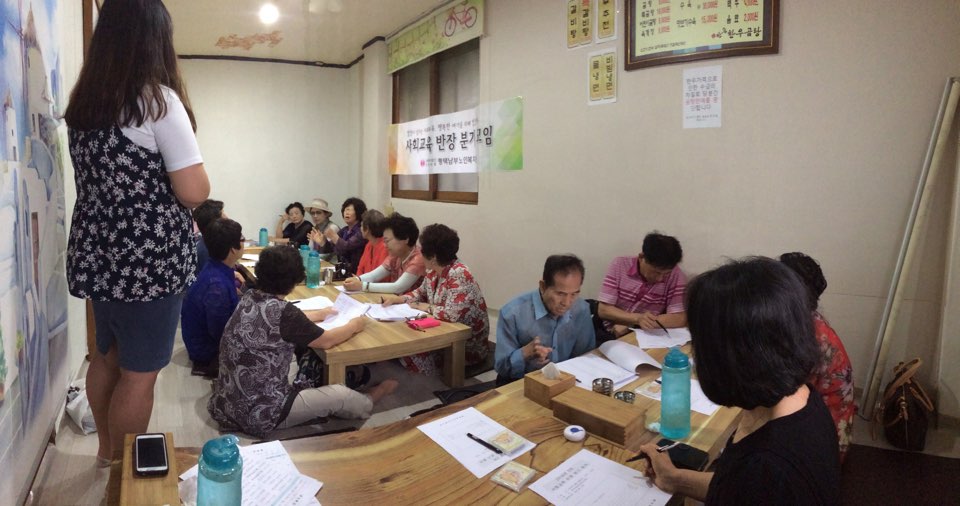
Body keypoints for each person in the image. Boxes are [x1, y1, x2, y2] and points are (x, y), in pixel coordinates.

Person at [64, 0, 210, 466]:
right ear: (155, 38)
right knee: (140, 374)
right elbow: (194, 191)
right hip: (147, 261)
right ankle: (121, 473)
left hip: (98, 252)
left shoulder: (85, 106)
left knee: (105, 358)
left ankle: (106, 455)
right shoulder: (157, 101)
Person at [640, 258, 840, 504]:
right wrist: (675, 479)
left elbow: (753, 484)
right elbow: (735, 487)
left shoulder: (768, 469)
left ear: (729, 356)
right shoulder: (800, 399)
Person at [208, 246, 398, 438]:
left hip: (228, 400)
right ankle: (372, 397)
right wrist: (355, 325)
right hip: (262, 413)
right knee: (341, 395)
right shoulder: (285, 312)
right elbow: (327, 341)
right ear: (295, 280)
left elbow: (280, 321)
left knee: (294, 356)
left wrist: (318, 314)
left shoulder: (250, 296)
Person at [381, 224, 490, 375]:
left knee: (410, 349)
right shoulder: (434, 271)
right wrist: (398, 299)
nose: (420, 252)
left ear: (433, 257)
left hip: (465, 343)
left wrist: (425, 307)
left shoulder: (460, 273)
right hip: (443, 329)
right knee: (401, 339)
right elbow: (420, 292)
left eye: (422, 249)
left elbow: (452, 314)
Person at [780, 252, 855, 463]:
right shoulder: (807, 319)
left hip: (823, 443)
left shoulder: (808, 336)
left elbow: (790, 394)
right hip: (820, 421)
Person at [494, 255, 595, 384]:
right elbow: (502, 367)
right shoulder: (512, 313)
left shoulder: (581, 309)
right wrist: (525, 353)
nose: (566, 302)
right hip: (522, 383)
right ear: (543, 286)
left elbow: (585, 356)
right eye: (560, 294)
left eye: (574, 294)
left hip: (565, 382)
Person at [180, 218, 244, 378]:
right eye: (242, 239)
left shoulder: (215, 267)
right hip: (206, 350)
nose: (244, 242)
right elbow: (220, 332)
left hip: (203, 340)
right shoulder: (217, 286)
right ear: (233, 249)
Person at [597, 232, 687, 337]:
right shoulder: (620, 265)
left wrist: (636, 323)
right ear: (641, 257)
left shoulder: (675, 274)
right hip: (608, 330)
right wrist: (637, 318)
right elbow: (603, 310)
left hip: (642, 333)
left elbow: (679, 318)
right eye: (656, 272)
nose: (660, 279)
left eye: (666, 274)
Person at [343, 212, 425, 294]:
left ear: (405, 239)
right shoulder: (395, 255)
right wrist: (356, 279)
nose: (385, 245)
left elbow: (398, 287)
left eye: (387, 241)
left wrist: (363, 286)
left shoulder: (418, 259)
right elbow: (374, 275)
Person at [326, 197, 367, 273]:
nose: (346, 213)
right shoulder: (344, 230)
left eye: (350, 210)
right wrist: (323, 242)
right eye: (345, 210)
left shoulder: (361, 231)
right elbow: (331, 249)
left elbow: (347, 247)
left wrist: (334, 237)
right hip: (343, 270)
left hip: (356, 271)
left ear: (358, 212)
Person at [191, 199, 224, 278]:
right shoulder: (206, 250)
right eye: (223, 214)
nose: (227, 217)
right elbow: (213, 278)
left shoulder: (207, 242)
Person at [355, 209, 389, 276]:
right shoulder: (369, 245)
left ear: (367, 229)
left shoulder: (385, 247)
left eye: (361, 225)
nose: (360, 228)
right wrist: (357, 279)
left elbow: (382, 276)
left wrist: (360, 280)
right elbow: (360, 268)